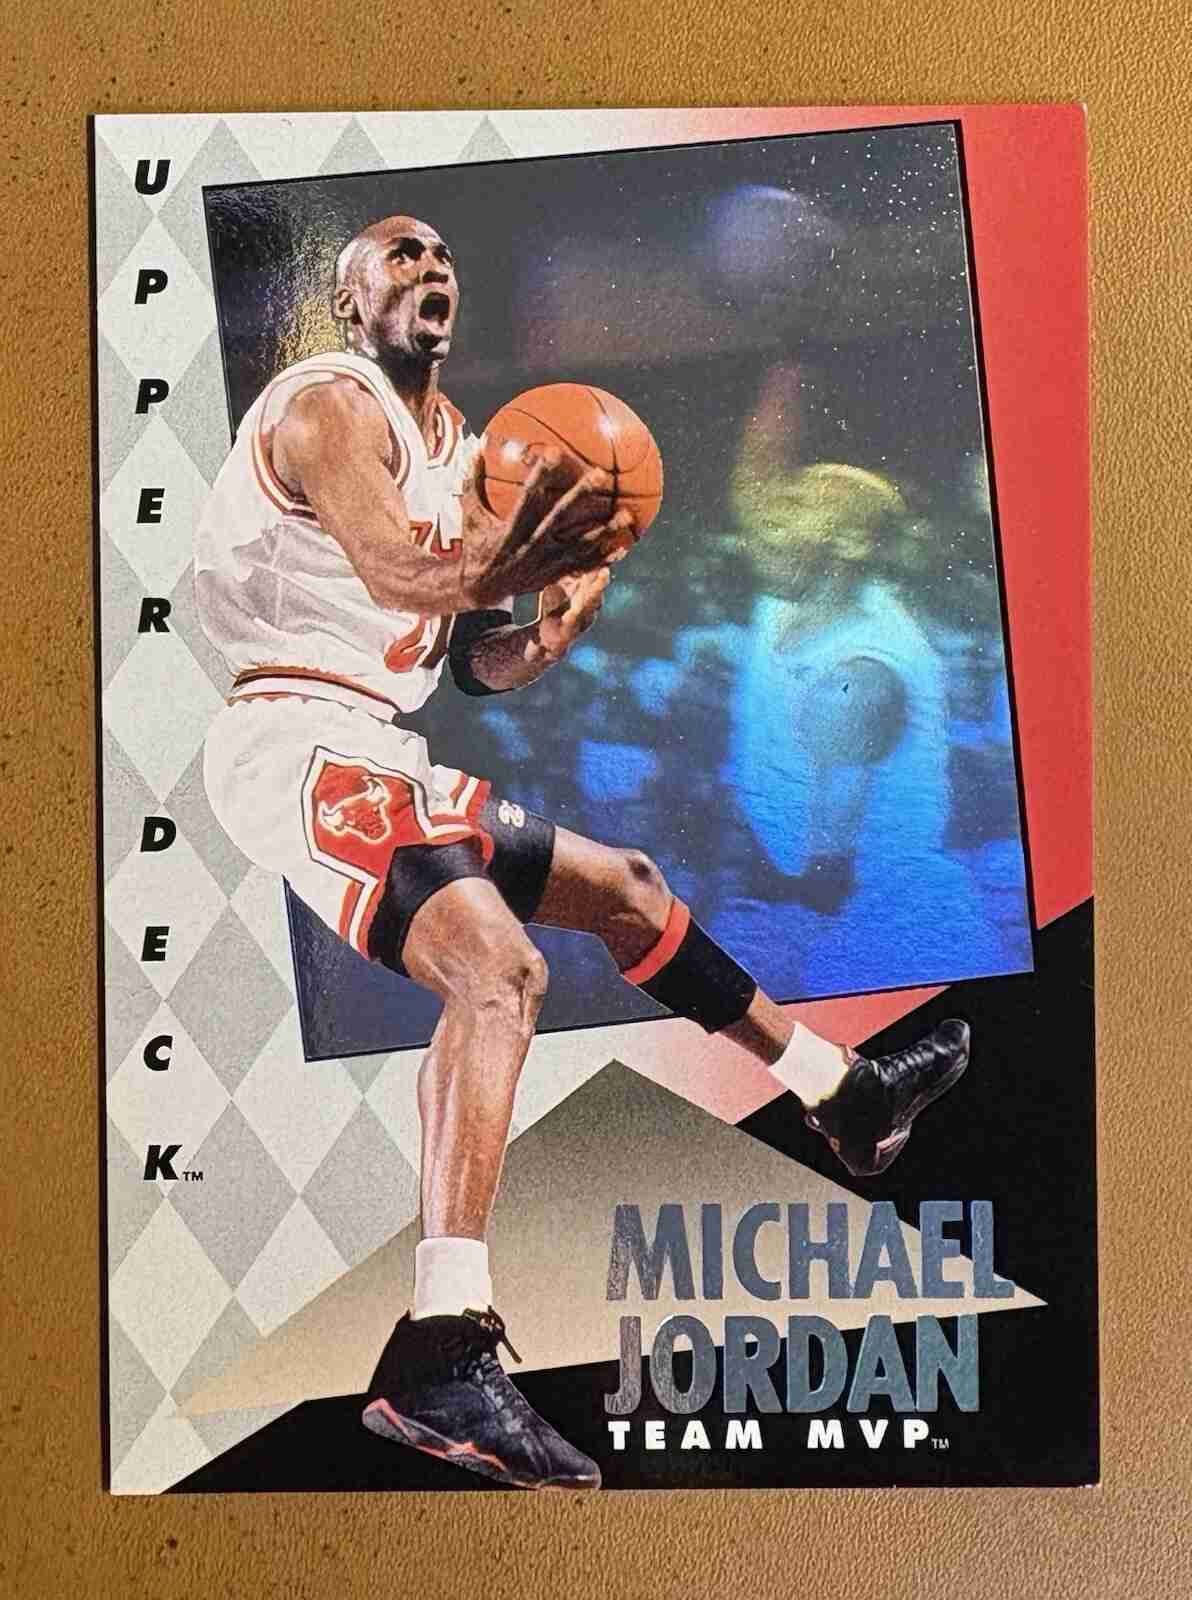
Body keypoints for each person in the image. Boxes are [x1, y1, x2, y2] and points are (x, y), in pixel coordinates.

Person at [195, 215, 970, 1491]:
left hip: (377, 741)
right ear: (345, 298)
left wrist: (546, 632)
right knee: (498, 972)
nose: (428, 269)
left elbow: (473, 661)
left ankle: (841, 1091)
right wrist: (513, 557)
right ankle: (441, 1341)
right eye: (397, 255)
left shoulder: (460, 446)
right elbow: (395, 572)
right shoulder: (328, 405)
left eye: (442, 256)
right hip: (290, 731)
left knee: (629, 891)